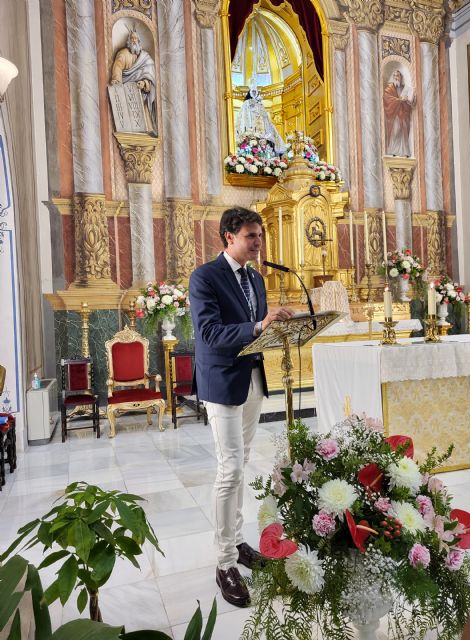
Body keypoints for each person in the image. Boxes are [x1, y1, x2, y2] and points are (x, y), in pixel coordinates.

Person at [189, 207, 294, 608]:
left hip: (252, 377)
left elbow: (259, 329)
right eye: (251, 235)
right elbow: (210, 333)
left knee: (242, 462)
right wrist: (258, 326)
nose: (258, 242)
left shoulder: (255, 278)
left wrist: (278, 328)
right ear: (229, 237)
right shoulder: (205, 277)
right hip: (221, 380)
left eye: (260, 235)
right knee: (229, 468)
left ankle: (235, 541)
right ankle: (224, 562)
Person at [111, 28, 157, 136]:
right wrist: (117, 80)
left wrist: (144, 83)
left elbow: (150, 76)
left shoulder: (146, 58)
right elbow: (117, 67)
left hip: (141, 93)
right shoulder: (123, 54)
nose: (134, 41)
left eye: (136, 39)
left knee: (144, 114)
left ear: (139, 41)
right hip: (127, 90)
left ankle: (147, 130)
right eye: (132, 38)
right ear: (128, 41)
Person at [235, 83, 287, 154]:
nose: (254, 93)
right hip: (251, 127)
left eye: (255, 92)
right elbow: (244, 116)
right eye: (252, 92)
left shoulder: (260, 104)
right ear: (250, 93)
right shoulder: (247, 103)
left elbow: (265, 117)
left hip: (261, 127)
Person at [383, 69, 415, 157]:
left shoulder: (406, 88)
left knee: (404, 131)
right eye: (394, 76)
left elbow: (411, 102)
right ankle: (393, 151)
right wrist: (398, 100)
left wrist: (407, 99)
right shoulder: (390, 88)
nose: (396, 78)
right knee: (396, 130)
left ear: (401, 77)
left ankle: (405, 152)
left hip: (404, 113)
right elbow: (387, 98)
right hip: (395, 114)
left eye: (397, 75)